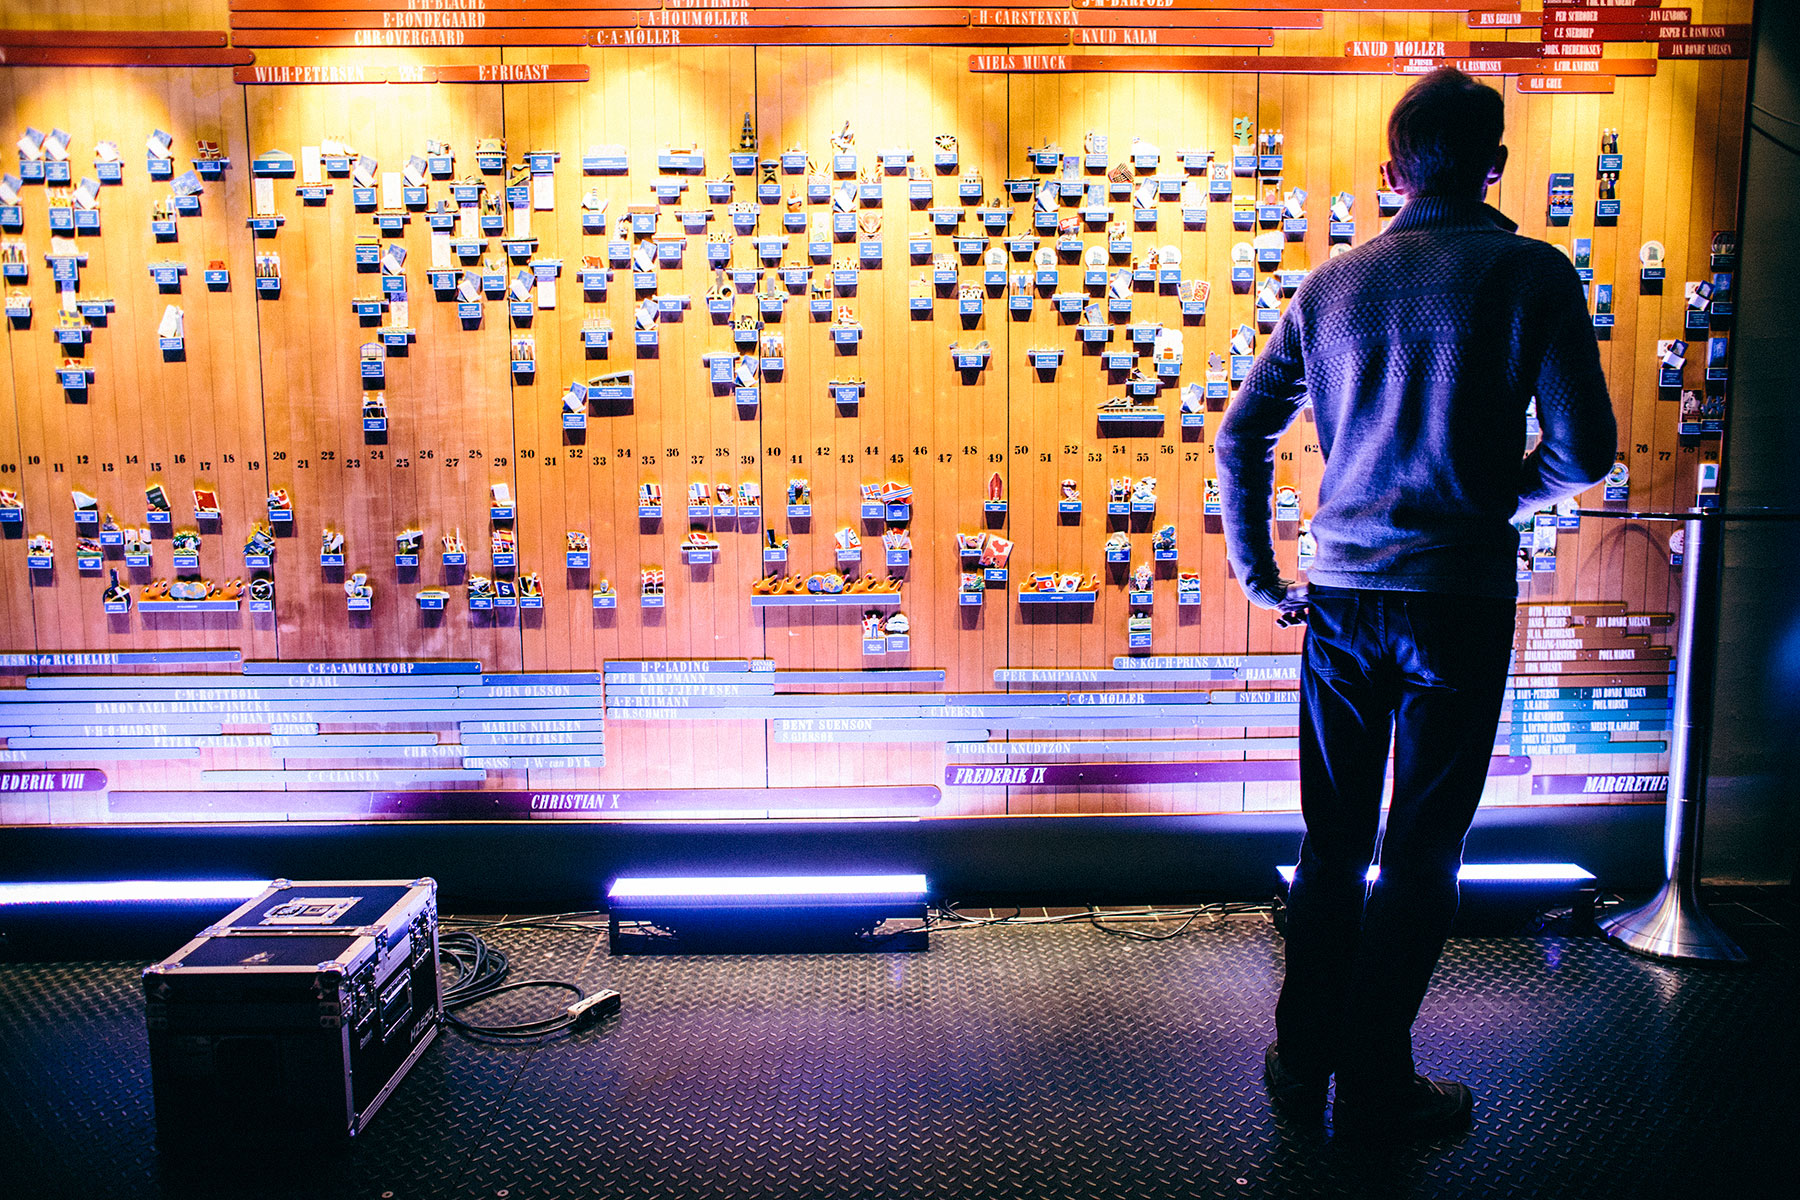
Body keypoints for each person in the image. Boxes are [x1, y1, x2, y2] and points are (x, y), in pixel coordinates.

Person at [1214, 67, 1618, 1141]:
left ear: (1390, 172)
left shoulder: (1330, 285)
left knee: (1333, 841)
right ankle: (1378, 1079)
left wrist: (1263, 576)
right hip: (1459, 601)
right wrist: (1493, 493)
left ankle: (1302, 1065)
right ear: (1496, 164)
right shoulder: (1533, 272)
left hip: (1342, 602)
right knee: (1425, 846)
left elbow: (1240, 433)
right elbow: (1587, 451)